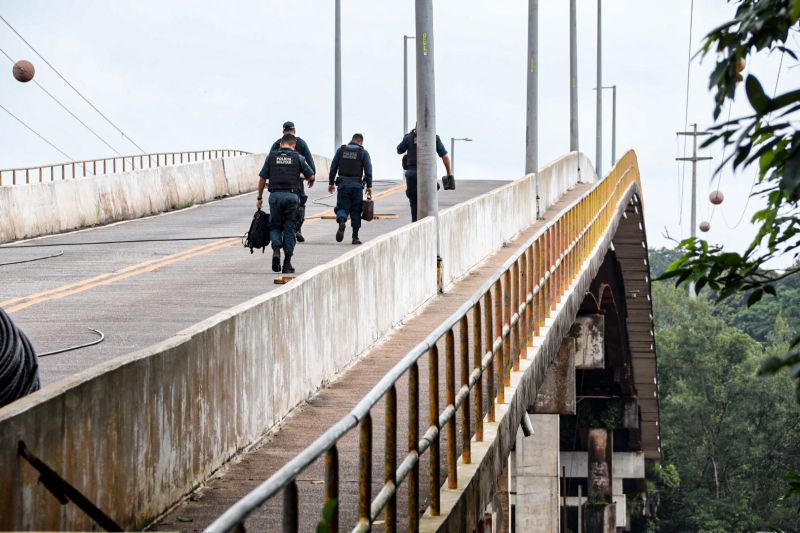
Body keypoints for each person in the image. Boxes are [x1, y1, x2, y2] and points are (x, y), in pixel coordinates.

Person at [257, 134, 315, 274]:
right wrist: (306, 178)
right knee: (290, 228)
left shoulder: (271, 157)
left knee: (275, 226)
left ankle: (276, 249)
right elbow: (311, 175)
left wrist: (259, 197)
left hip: (275, 197)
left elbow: (262, 178)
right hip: (292, 197)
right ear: (293, 145)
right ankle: (287, 264)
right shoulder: (298, 158)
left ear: (281, 144)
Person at [270, 121, 316, 242]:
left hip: (277, 186)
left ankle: (279, 237)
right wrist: (306, 176)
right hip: (295, 185)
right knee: (300, 205)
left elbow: (269, 164)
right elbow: (312, 168)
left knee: (277, 214)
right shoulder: (301, 144)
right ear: (294, 131)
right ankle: (297, 229)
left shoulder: (276, 144)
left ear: (283, 132)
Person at [396, 127, 453, 222]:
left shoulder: (409, 137)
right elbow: (445, 157)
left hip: (411, 173)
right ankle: (429, 221)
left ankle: (415, 223)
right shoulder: (434, 138)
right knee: (430, 199)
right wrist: (449, 173)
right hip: (428, 174)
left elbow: (399, 150)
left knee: (414, 201)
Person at [328, 133, 373, 245]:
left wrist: (331, 183)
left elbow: (333, 167)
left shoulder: (341, 151)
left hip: (343, 186)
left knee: (342, 208)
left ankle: (342, 221)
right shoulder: (363, 152)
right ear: (361, 142)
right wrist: (369, 186)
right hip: (357, 186)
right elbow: (368, 170)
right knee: (356, 211)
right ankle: (355, 237)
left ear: (352, 140)